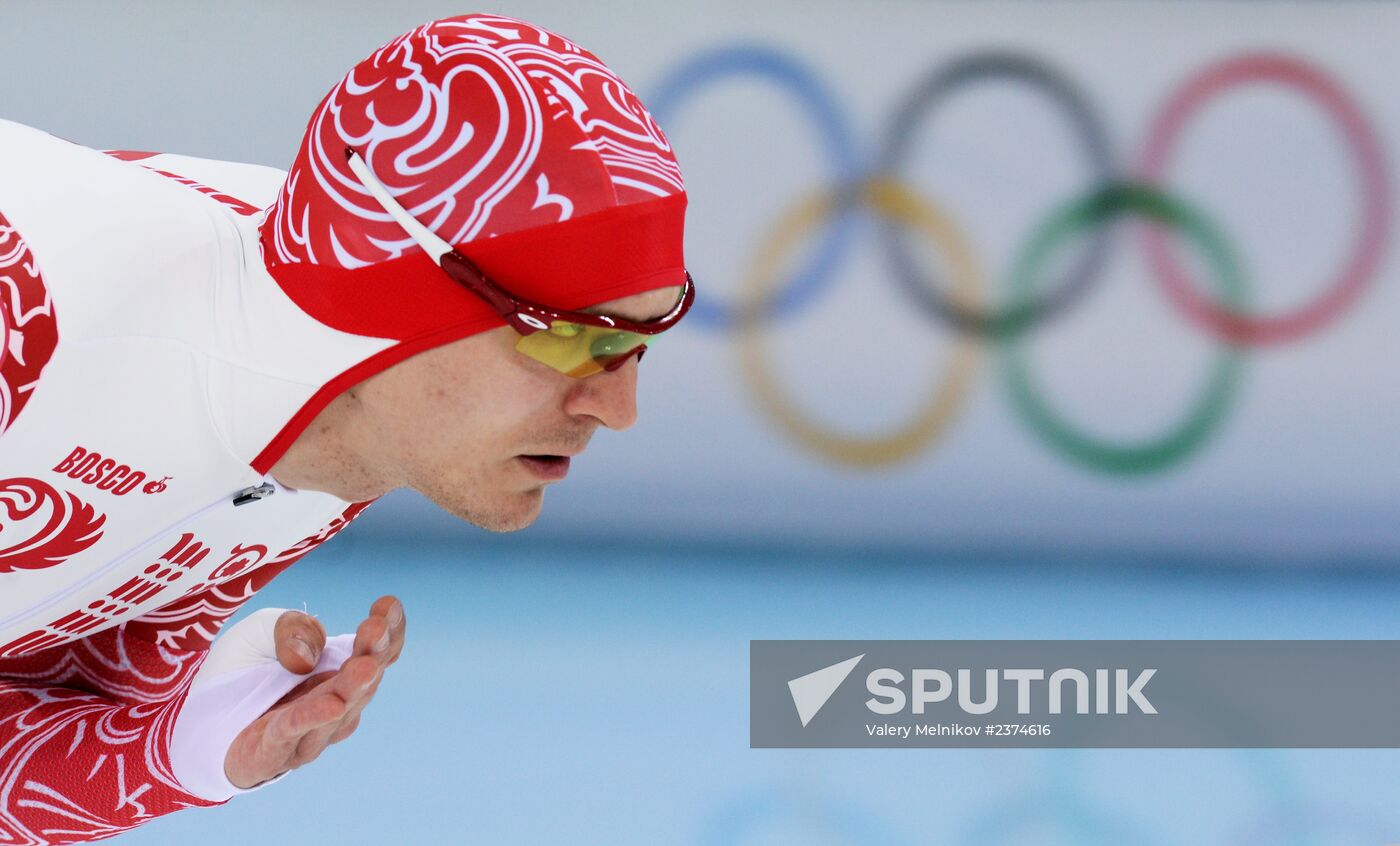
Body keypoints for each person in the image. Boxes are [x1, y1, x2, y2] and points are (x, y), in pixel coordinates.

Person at [0, 12, 691, 843]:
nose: (620, 411)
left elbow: (30, 718)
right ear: (401, 299)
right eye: (580, 339)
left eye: (640, 345)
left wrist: (176, 753)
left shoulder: (348, 433)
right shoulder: (31, 313)